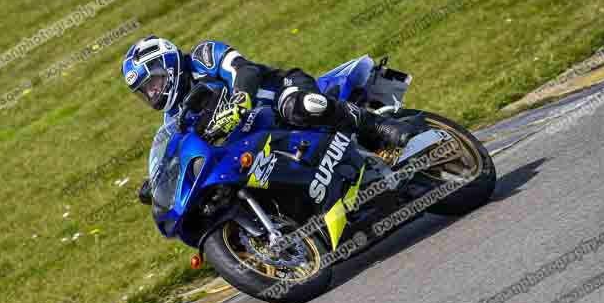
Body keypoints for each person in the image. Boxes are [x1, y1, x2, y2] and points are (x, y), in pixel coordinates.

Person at [122, 36, 419, 203]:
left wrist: (241, 100)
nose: (153, 93)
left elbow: (244, 70)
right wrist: (159, 180)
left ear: (169, 66)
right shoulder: (174, 117)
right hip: (258, 138)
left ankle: (378, 126)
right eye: (145, 92)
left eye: (154, 82)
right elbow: (180, 150)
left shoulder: (202, 57)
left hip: (279, 93)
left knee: (300, 106)